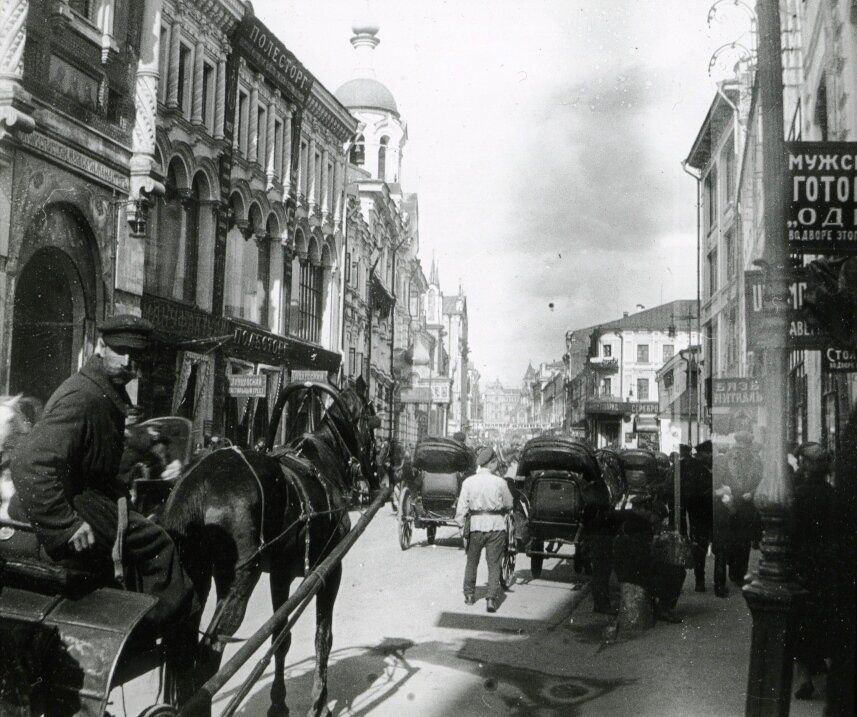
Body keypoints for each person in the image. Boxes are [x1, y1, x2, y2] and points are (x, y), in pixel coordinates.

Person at [9, 315, 197, 630]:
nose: (128, 361)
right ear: (99, 346)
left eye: (135, 355)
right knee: (159, 545)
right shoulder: (85, 397)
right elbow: (29, 462)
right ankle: (157, 632)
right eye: (120, 350)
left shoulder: (101, 390)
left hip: (88, 497)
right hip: (78, 502)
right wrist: (65, 525)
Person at [791, 442, 835, 700]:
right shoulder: (834, 495)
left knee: (800, 622)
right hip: (828, 566)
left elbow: (792, 533)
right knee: (826, 618)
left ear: (806, 465)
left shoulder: (798, 495)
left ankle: (804, 678)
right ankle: (827, 669)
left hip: (803, 566)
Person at [455, 446, 513, 613]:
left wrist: (460, 526)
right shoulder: (501, 482)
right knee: (494, 564)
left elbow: (461, 508)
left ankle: (469, 595)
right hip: (496, 526)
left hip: (475, 526)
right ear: (491, 463)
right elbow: (509, 504)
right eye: (495, 462)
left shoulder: (468, 482)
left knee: (472, 562)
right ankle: (491, 599)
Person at [684, 442, 713, 592]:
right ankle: (699, 580)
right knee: (700, 547)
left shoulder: (705, 467)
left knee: (704, 546)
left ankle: (706, 581)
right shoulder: (695, 469)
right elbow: (691, 493)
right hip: (700, 512)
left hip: (707, 512)